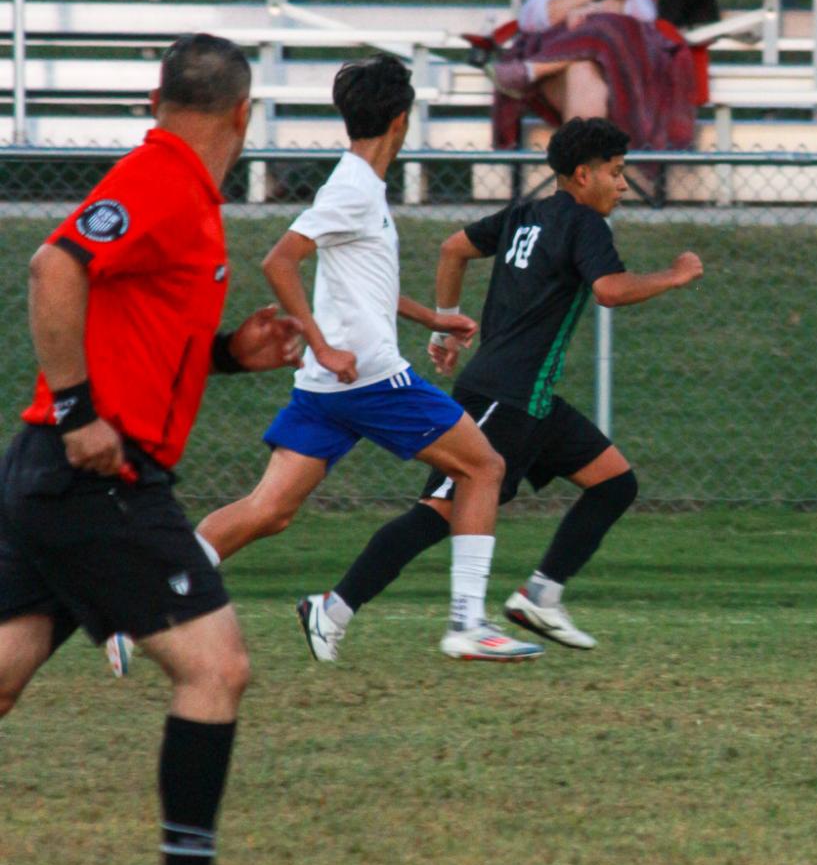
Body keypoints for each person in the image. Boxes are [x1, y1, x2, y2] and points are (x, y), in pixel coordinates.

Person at [0, 35, 307, 865]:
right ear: (244, 117)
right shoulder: (165, 179)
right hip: (98, 475)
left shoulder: (174, 187)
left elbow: (135, 319)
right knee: (216, 669)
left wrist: (224, 352)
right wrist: (81, 406)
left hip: (49, 470)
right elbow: (56, 265)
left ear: (155, 94)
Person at [135, 53, 537, 667]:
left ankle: (144, 601)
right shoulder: (352, 186)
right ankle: (466, 623)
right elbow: (280, 260)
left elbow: (358, 283)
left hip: (329, 388)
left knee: (269, 511)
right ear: (401, 120)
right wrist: (321, 342)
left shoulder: (359, 187)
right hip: (369, 378)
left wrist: (430, 318)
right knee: (484, 468)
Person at [295, 118, 703, 662]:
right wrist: (673, 277)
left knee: (614, 483)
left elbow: (452, 248)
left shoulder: (524, 214)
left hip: (531, 402)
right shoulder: (584, 225)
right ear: (583, 175)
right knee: (436, 513)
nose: (623, 185)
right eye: (616, 172)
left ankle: (540, 596)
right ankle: (337, 608)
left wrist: (445, 322)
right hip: (501, 400)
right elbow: (609, 290)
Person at [487, 0, 696, 166]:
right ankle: (587, 192)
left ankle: (532, 70)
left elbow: (639, 16)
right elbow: (532, 20)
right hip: (558, 83)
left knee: (600, 39)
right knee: (584, 62)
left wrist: (585, 13)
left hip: (623, 79)